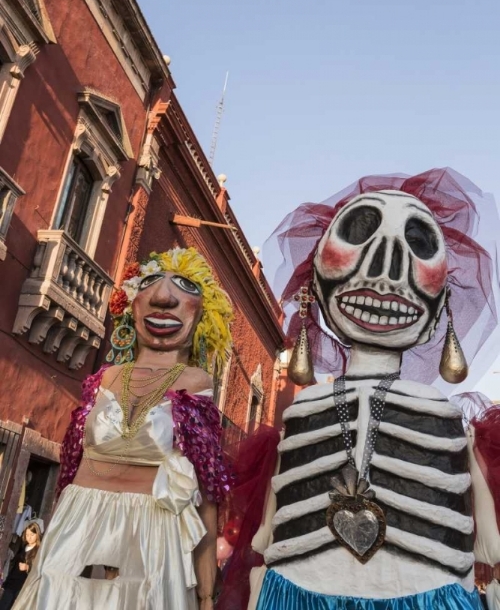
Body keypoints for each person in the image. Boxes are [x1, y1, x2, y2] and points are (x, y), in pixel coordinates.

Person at [249, 169, 500, 610]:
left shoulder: (439, 412)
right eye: (359, 235)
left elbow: (481, 527)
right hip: (299, 586)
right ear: (316, 291)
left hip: (425, 589)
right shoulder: (306, 409)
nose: (386, 267)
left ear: (442, 302)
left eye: (417, 244)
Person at [13, 247, 234, 610]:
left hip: (152, 538)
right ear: (132, 305)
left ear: (203, 316)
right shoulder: (105, 378)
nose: (163, 298)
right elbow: (71, 472)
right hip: (78, 527)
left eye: (184, 288)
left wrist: (207, 593)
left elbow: (207, 495)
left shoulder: (194, 382)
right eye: (149, 284)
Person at [0, 524, 41, 610]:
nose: (29, 537)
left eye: (32, 535)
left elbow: (39, 570)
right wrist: (6, 581)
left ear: (37, 535)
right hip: (12, 584)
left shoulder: (38, 551)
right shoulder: (23, 546)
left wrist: (27, 568)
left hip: (23, 587)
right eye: (27, 535)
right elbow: (14, 565)